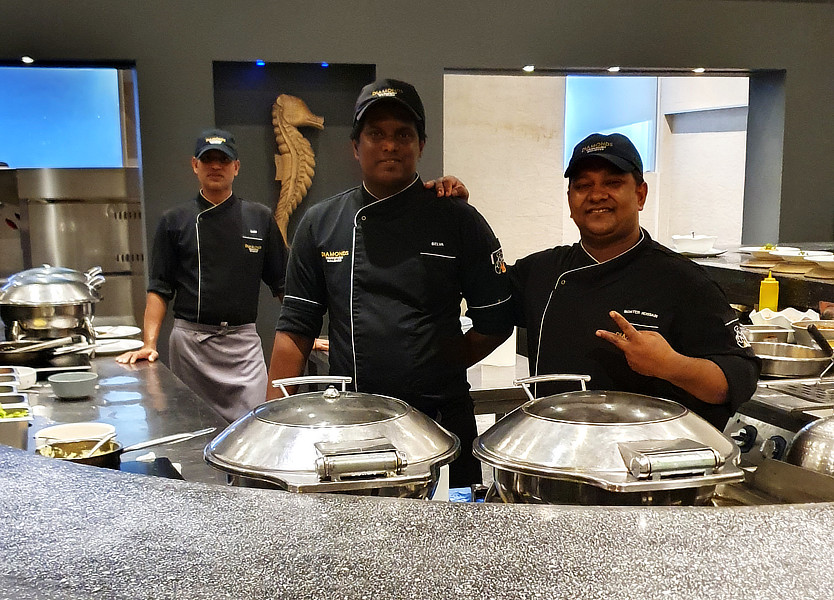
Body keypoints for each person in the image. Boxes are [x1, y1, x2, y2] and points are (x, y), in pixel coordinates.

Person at [267, 78, 513, 486]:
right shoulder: (321, 224)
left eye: (403, 134)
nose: (390, 145)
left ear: (421, 144)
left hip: (440, 420)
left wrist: (439, 366)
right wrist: (274, 422)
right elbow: (295, 329)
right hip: (354, 423)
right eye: (376, 134)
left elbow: (497, 320)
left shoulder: (457, 219)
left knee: (449, 542)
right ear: (355, 146)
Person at [507, 132, 760, 429]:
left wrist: (670, 365)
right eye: (583, 185)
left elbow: (738, 379)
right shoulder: (541, 271)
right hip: (555, 450)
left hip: (645, 462)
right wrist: (454, 210)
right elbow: (482, 292)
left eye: (613, 183)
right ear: (570, 200)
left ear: (640, 195)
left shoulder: (683, 280)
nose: (597, 195)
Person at [116, 128, 288, 422]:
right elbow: (159, 288)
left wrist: (304, 334)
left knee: (257, 427)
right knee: (195, 429)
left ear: (236, 167)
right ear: (195, 165)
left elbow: (283, 284)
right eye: (208, 159)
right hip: (191, 347)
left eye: (224, 159)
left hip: (243, 345)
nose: (216, 166)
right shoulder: (175, 220)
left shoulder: (259, 218)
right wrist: (149, 344)